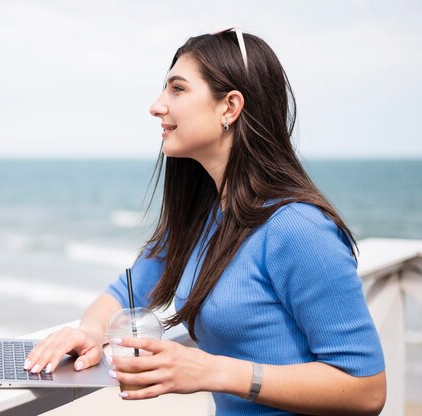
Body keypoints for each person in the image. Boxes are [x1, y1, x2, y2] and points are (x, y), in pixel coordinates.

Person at [25, 27, 386, 415]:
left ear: (229, 108)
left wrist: (213, 370)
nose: (156, 106)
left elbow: (366, 390)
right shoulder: (206, 216)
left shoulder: (298, 228)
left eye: (177, 89)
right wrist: (90, 333)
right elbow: (123, 292)